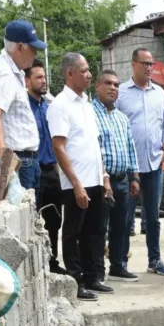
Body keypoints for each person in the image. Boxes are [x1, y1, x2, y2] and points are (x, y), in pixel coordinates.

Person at [46, 53, 112, 301]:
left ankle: (93, 277)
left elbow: (95, 145)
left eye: (89, 70)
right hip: (76, 183)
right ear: (69, 73)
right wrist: (76, 184)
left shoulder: (86, 103)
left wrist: (104, 178)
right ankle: (76, 280)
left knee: (94, 232)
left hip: (95, 180)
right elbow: (59, 147)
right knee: (73, 233)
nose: (89, 74)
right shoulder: (60, 105)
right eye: (83, 70)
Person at [116, 47, 164, 276]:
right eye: (145, 63)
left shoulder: (159, 93)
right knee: (125, 217)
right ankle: (120, 261)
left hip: (154, 165)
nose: (150, 67)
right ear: (133, 64)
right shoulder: (120, 93)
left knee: (153, 217)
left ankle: (155, 260)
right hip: (130, 168)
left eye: (152, 63)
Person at [0, 19, 46, 190]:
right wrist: (6, 165)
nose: (35, 54)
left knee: (31, 215)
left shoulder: (13, 71)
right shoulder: (3, 72)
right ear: (20, 47)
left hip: (26, 162)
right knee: (23, 215)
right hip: (18, 163)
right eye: (32, 48)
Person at [92, 70, 140, 284]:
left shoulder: (122, 118)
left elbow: (131, 148)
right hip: (102, 180)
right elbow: (94, 149)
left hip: (122, 179)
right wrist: (105, 179)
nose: (113, 88)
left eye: (117, 84)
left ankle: (118, 266)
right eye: (108, 83)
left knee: (121, 225)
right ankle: (98, 271)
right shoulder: (90, 114)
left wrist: (135, 177)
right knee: (100, 226)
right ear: (97, 86)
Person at [24, 59, 65, 274]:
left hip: (51, 171)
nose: (43, 81)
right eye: (38, 77)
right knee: (32, 221)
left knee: (54, 220)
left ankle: (52, 261)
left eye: (44, 77)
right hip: (33, 170)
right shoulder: (23, 108)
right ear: (27, 81)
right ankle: (35, 265)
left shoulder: (48, 107)